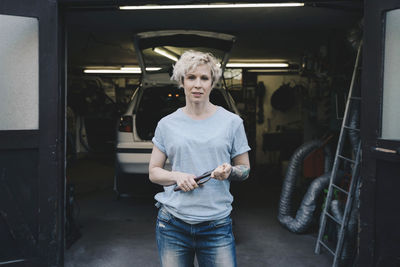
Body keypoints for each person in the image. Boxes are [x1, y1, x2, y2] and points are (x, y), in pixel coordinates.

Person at [149, 50, 251, 267]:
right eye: (191, 77)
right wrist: (176, 176)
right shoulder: (167, 124)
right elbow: (154, 172)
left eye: (204, 78)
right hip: (173, 224)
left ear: (212, 83)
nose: (197, 84)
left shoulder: (232, 122)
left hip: (216, 225)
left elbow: (245, 169)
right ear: (182, 81)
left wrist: (230, 171)